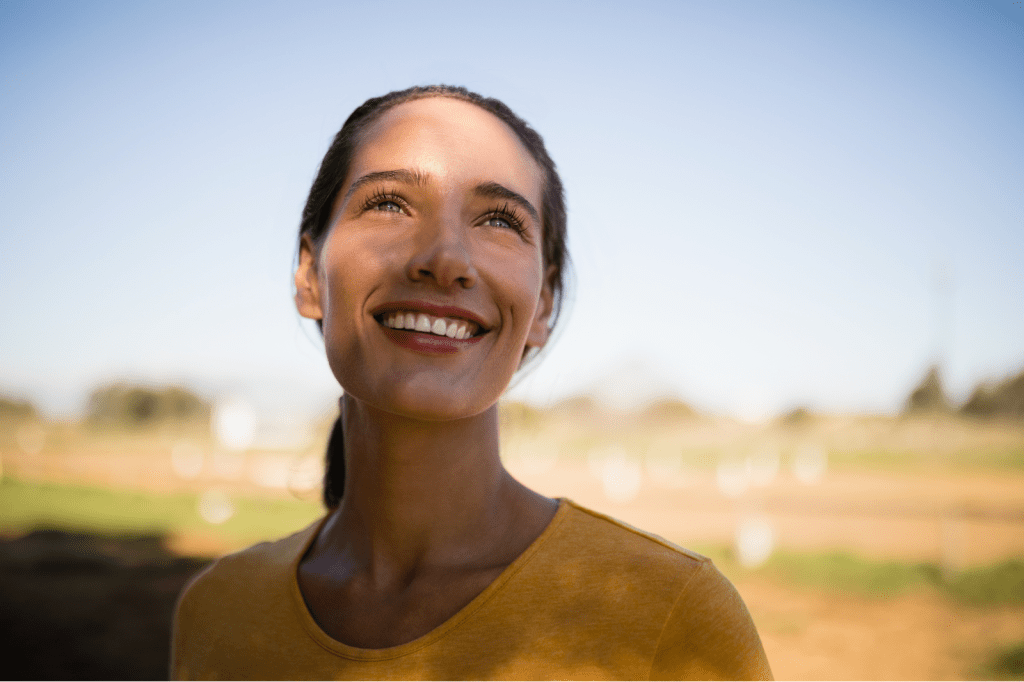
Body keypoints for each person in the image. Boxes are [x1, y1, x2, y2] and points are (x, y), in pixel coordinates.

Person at [171, 85, 773, 680]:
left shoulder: (673, 617)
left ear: (544, 304)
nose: (446, 257)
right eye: (389, 204)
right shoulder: (219, 612)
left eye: (499, 219)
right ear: (308, 273)